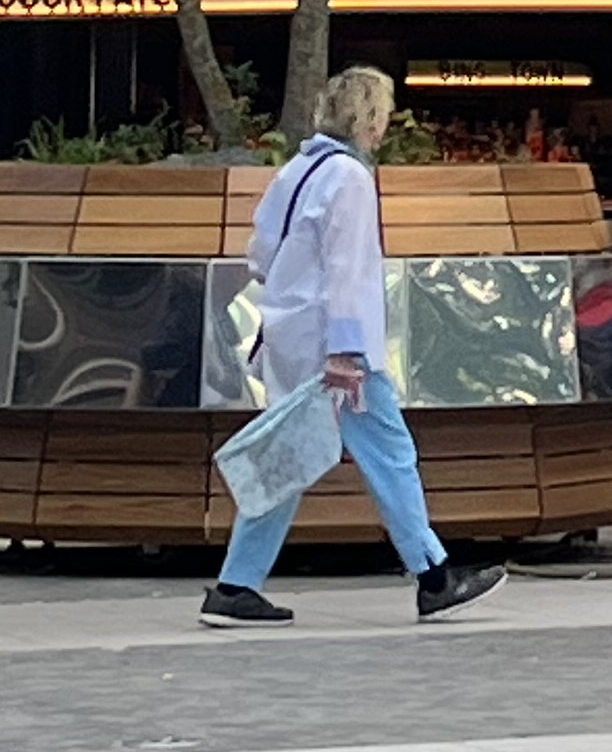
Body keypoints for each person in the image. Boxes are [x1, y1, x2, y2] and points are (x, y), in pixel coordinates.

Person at [201, 66, 505, 628]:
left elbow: (261, 250)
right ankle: (434, 577)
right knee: (391, 454)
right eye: (383, 113)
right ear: (369, 118)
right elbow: (351, 272)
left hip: (291, 338)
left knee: (287, 462)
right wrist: (346, 349)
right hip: (338, 351)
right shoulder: (351, 179)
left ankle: (235, 585)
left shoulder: (298, 169)